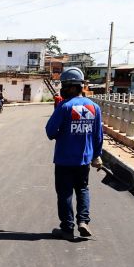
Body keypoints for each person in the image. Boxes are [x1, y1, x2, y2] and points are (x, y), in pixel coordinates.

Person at [45, 67, 103, 240]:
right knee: (83, 189)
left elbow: (50, 131)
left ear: (72, 87)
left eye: (64, 85)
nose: (62, 89)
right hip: (84, 160)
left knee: (65, 194)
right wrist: (96, 155)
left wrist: (61, 132)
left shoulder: (64, 106)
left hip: (64, 160)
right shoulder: (94, 107)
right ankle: (83, 221)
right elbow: (98, 135)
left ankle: (67, 228)